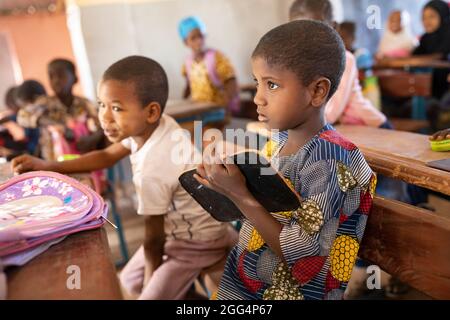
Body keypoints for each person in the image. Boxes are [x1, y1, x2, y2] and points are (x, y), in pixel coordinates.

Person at [12, 55, 237, 300]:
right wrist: (49, 165)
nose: (104, 117)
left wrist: (153, 278)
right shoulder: (156, 126)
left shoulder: (154, 165)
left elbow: (153, 240)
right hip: (180, 232)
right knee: (127, 283)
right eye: (101, 104)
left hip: (195, 243)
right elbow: (106, 155)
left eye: (116, 108)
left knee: (146, 295)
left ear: (151, 111)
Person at [194, 20, 375, 300]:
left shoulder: (333, 161)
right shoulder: (278, 142)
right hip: (246, 288)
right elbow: (260, 211)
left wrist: (241, 195)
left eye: (273, 85)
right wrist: (222, 186)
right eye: (257, 83)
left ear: (317, 91)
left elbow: (301, 255)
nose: (258, 98)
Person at [289, 0, 388, 128]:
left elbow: (330, 114)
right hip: (332, 126)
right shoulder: (296, 61)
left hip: (365, 122)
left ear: (333, 27)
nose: (305, 38)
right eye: (297, 30)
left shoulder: (345, 60)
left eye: (315, 29)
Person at [179, 16, 240, 117]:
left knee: (201, 130)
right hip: (199, 110)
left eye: (201, 36)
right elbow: (189, 86)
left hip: (217, 109)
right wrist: (183, 103)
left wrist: (225, 106)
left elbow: (231, 82)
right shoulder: (187, 63)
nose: (198, 41)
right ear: (186, 42)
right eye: (193, 38)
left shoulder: (217, 57)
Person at [413, 0, 450, 99]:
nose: (426, 21)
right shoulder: (426, 38)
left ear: (443, 15)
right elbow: (414, 55)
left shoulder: (448, 34)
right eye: (424, 18)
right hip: (428, 89)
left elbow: (440, 55)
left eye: (432, 16)